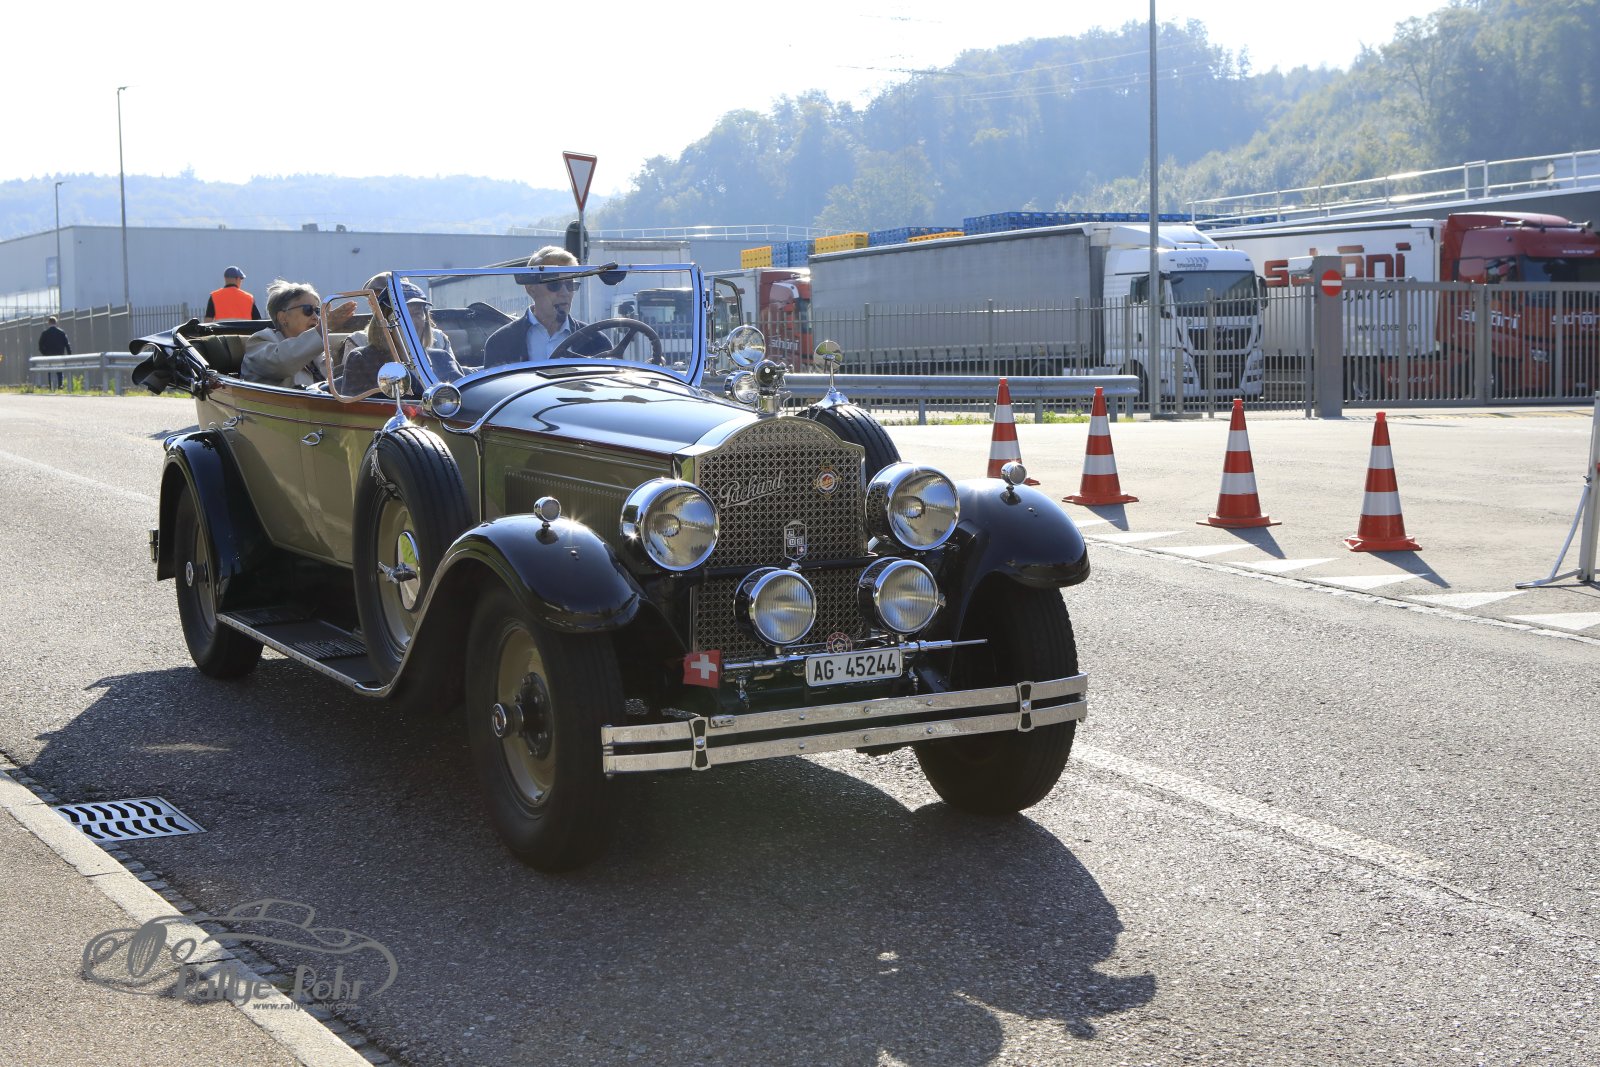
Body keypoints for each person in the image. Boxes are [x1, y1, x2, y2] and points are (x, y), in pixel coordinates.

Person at [483, 246, 612, 366]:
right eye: (554, 284)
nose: (565, 293)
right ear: (531, 289)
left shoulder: (596, 341)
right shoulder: (500, 343)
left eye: (570, 285)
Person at [340, 275, 463, 395]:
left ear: (425, 319)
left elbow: (464, 396)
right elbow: (355, 406)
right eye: (401, 315)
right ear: (383, 321)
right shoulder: (362, 359)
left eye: (417, 314)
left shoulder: (442, 357)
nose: (410, 322)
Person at [241, 279, 355, 388]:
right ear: (283, 317)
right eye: (308, 310)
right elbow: (283, 363)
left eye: (317, 311)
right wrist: (323, 328)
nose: (316, 317)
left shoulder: (318, 352)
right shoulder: (259, 342)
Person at [38, 316, 71, 389]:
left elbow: (40, 345)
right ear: (56, 322)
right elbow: (67, 344)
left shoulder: (45, 333)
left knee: (50, 371)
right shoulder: (61, 332)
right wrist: (69, 355)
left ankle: (51, 386)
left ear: (49, 323)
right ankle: (60, 385)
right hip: (59, 355)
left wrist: (44, 353)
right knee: (59, 371)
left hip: (49, 356)